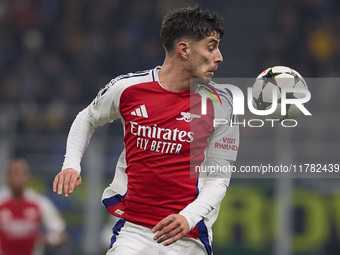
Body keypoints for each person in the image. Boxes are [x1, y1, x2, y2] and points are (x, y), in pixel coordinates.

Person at [53, 5, 239, 255]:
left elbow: (219, 178)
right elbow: (86, 118)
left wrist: (187, 217)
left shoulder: (221, 104)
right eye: (211, 46)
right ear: (183, 49)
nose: (219, 56)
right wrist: (71, 164)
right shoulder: (128, 88)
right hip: (134, 230)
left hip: (188, 236)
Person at [0, 157, 66, 255]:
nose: (17, 178)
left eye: (20, 173)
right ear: (7, 177)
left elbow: (60, 233)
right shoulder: (1, 201)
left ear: (27, 176)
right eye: (13, 174)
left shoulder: (39, 202)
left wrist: (47, 240)